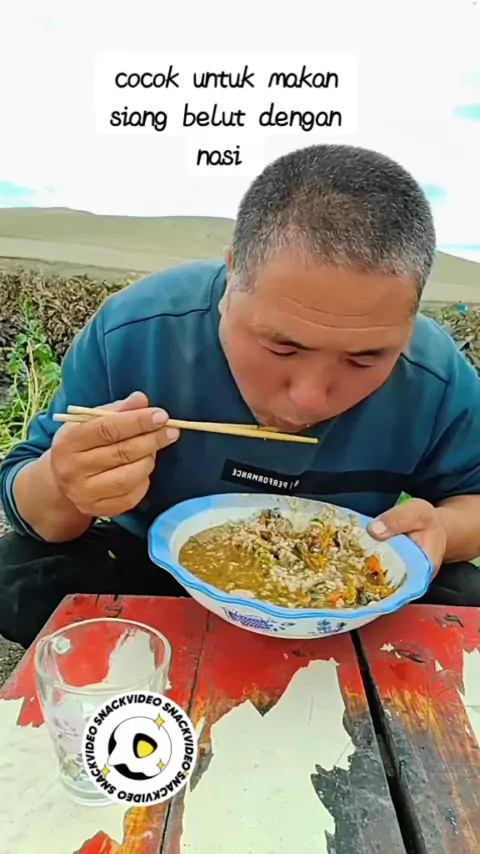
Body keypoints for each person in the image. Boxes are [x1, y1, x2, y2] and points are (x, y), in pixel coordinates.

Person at [1, 143, 480, 649]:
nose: (309, 399)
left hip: (345, 580)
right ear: (233, 276)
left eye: (363, 359)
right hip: (151, 561)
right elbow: (33, 511)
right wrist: (67, 482)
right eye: (282, 347)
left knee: (466, 595)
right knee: (18, 575)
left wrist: (441, 530)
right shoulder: (137, 329)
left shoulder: (435, 374)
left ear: (409, 319)